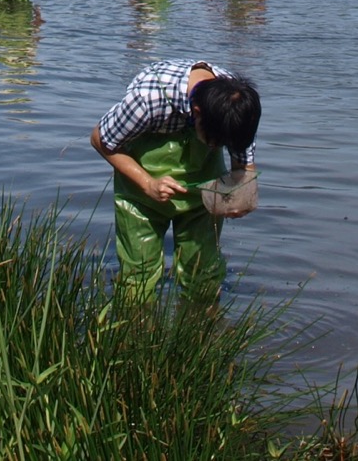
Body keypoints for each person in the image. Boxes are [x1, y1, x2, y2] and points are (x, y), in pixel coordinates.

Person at [90, 58, 261, 300]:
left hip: (203, 191)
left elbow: (243, 164)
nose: (221, 147)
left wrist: (240, 196)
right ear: (197, 114)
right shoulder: (148, 100)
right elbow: (100, 139)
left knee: (203, 275)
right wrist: (148, 184)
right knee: (138, 277)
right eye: (216, 143)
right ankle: (136, 327)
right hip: (142, 194)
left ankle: (203, 324)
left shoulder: (238, 109)